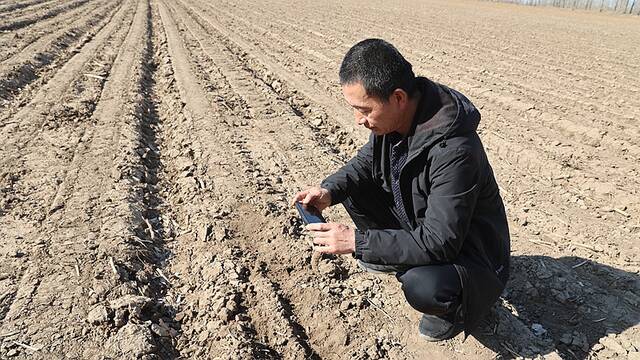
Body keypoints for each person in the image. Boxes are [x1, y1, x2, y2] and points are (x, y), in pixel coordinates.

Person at [292, 39, 510, 341]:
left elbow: (440, 241)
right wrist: (328, 191)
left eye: (364, 110)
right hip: (425, 223)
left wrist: (359, 241)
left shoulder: (455, 151)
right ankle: (395, 254)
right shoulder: (392, 122)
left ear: (398, 98)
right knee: (353, 188)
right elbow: (366, 163)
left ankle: (454, 310)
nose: (358, 120)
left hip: (471, 255)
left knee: (422, 285)